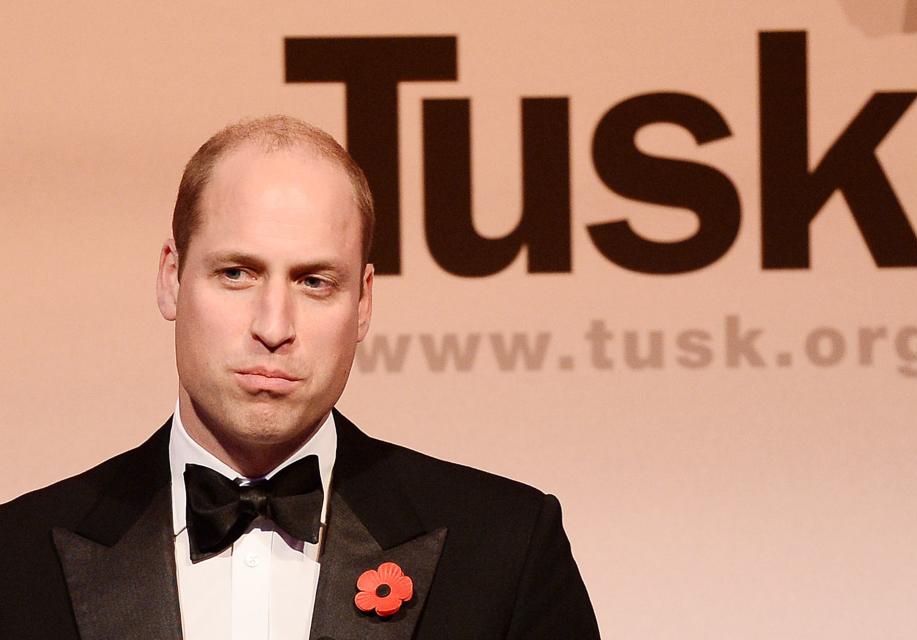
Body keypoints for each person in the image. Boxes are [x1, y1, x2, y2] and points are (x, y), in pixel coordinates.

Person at [0, 116, 600, 639]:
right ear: (170, 278)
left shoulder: (503, 549)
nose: (273, 325)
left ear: (363, 302)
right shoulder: (16, 560)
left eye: (315, 282)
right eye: (237, 273)